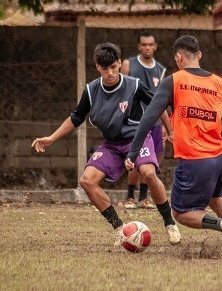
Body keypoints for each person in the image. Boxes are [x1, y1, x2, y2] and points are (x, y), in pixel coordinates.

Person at [31, 42, 181, 246]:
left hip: (137, 139)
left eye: (113, 67)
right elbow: (76, 118)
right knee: (87, 181)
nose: (110, 73)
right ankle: (120, 228)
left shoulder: (134, 85)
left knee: (148, 173)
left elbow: (158, 106)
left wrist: (170, 131)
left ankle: (169, 223)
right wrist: (51, 138)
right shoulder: (91, 91)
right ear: (97, 67)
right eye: (104, 69)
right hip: (112, 144)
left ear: (119, 63)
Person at [125, 35, 222, 254]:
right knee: (216, 199)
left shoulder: (174, 81)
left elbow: (149, 117)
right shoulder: (218, 82)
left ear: (179, 57)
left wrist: (133, 152)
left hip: (195, 160)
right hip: (219, 158)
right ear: (199, 55)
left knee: (180, 213)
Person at [120, 31, 167, 210]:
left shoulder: (160, 70)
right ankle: (130, 196)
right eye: (144, 45)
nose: (147, 47)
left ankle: (144, 198)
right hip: (135, 121)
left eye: (150, 44)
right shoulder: (128, 65)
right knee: (135, 158)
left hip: (155, 120)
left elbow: (162, 98)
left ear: (155, 46)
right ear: (139, 47)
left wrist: (165, 123)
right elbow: (121, 92)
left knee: (154, 158)